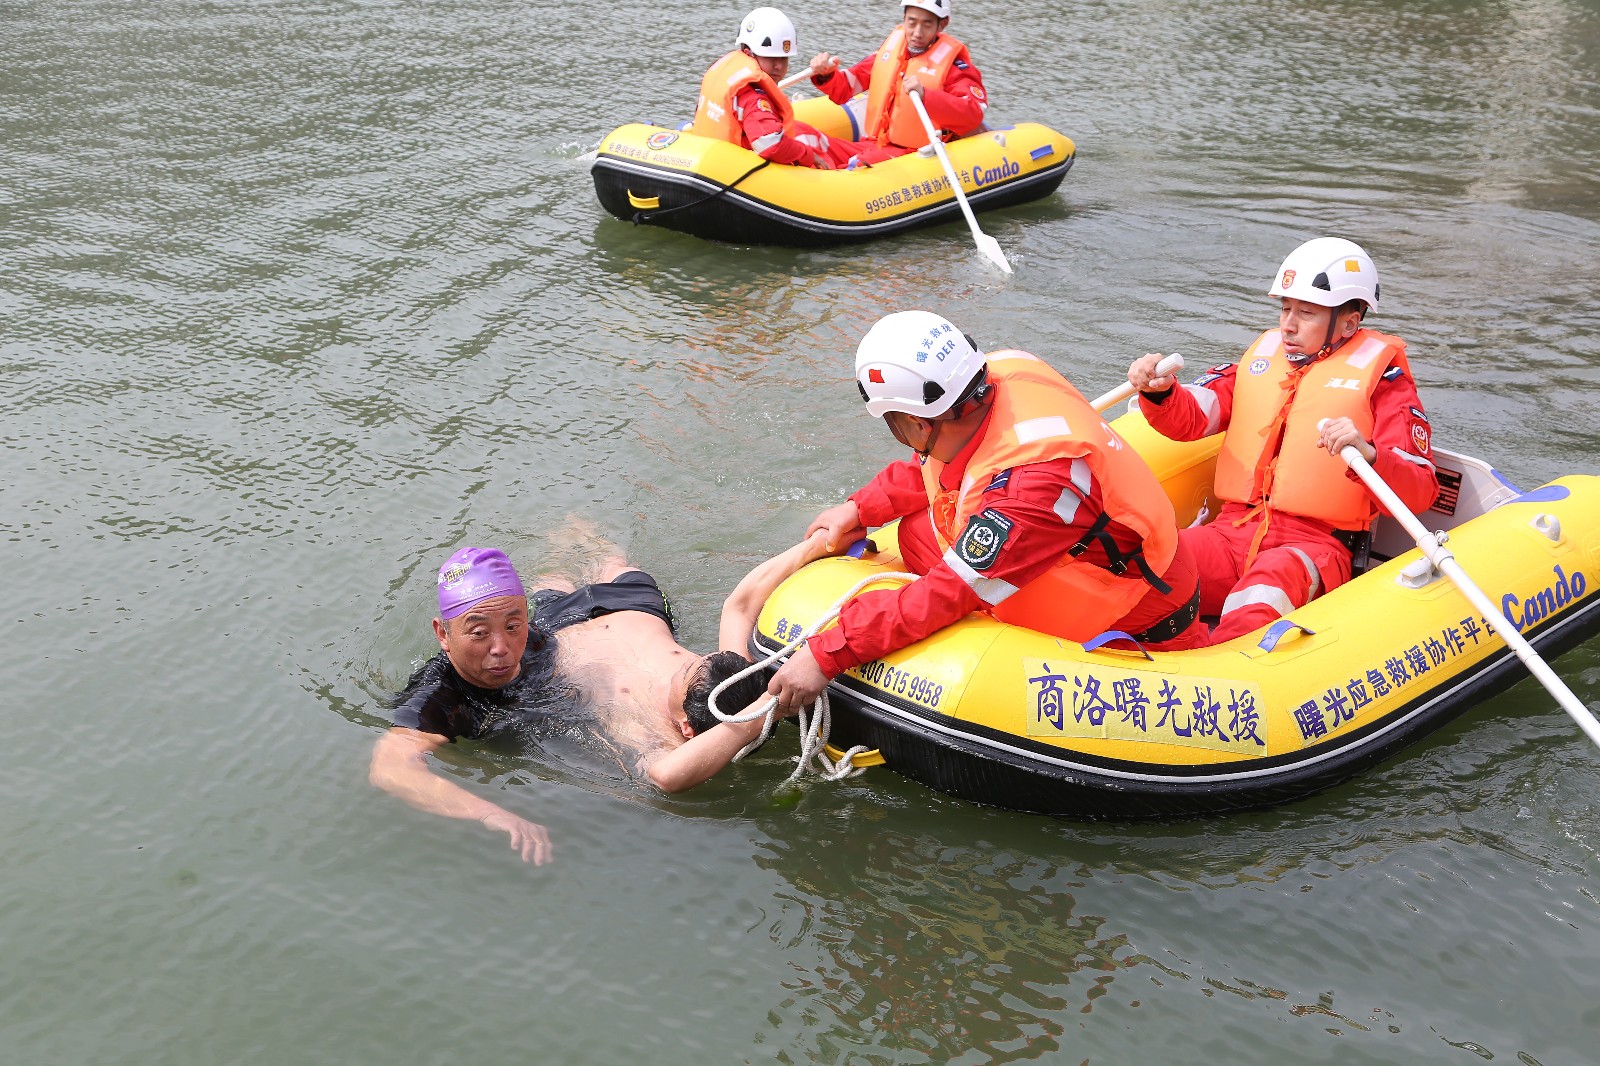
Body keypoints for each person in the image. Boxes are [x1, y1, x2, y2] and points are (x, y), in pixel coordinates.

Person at [765, 310, 1205, 712]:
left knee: (947, 587)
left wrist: (829, 653)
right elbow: (937, 467)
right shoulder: (987, 383)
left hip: (1132, 618)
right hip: (1086, 554)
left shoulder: (1032, 487)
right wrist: (861, 508)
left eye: (897, 425)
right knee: (915, 530)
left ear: (917, 423)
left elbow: (948, 592)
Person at [370, 537, 835, 860]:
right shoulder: (439, 694)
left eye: (513, 625)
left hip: (576, 621)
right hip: (614, 617)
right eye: (478, 634)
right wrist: (490, 814)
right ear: (443, 634)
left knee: (565, 572)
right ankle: (573, 533)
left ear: (524, 615)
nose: (501, 648)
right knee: (586, 559)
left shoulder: (537, 636)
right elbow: (390, 767)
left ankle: (572, 536)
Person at [1126, 237, 1440, 646]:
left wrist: (1369, 453)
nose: (1288, 324)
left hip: (1315, 548)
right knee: (1146, 562)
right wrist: (1160, 391)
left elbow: (1420, 489)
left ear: (1348, 323)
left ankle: (1216, 667)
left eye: (1305, 313)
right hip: (1232, 532)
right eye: (1285, 309)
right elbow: (1193, 418)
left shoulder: (1386, 383)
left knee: (1262, 593)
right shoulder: (1261, 360)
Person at [808, 0, 987, 165]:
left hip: (913, 154)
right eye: (912, 22)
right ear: (904, 18)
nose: (917, 33)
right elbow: (846, 88)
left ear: (942, 24)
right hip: (873, 144)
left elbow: (972, 114)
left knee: (858, 164)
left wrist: (926, 96)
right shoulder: (891, 52)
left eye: (927, 24)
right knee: (803, 135)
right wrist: (826, 75)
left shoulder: (955, 68)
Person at [691, 7, 863, 169]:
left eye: (783, 59)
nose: (779, 66)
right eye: (771, 58)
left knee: (804, 132)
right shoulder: (753, 97)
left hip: (713, 155)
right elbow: (770, 144)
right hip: (735, 167)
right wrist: (807, 155)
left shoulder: (726, 72)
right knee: (813, 143)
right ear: (749, 52)